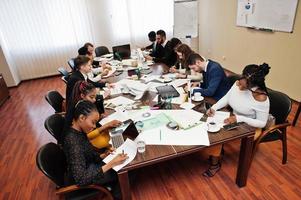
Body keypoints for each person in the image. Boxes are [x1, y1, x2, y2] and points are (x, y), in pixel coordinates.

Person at [203, 63, 271, 177]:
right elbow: (227, 98)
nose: (240, 85)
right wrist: (214, 108)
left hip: (250, 126)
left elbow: (262, 123)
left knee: (217, 134)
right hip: (235, 119)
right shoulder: (238, 83)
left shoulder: (260, 97)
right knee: (211, 126)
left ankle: (215, 164)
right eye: (241, 79)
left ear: (252, 86)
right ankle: (216, 152)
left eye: (244, 85)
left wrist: (239, 118)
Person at [63, 100, 128, 199]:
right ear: (82, 118)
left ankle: (116, 190)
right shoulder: (73, 141)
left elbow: (88, 154)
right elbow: (81, 179)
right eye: (93, 122)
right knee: (124, 170)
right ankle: (117, 195)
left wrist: (104, 155)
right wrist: (111, 163)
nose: (94, 127)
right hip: (86, 176)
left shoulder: (79, 131)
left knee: (122, 166)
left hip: (91, 167)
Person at [65, 81, 119, 150]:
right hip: (86, 144)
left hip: (89, 138)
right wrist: (106, 126)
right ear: (82, 96)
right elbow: (84, 136)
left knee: (113, 134)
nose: (94, 100)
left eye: (95, 97)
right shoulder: (76, 112)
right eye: (91, 97)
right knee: (112, 139)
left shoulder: (81, 105)